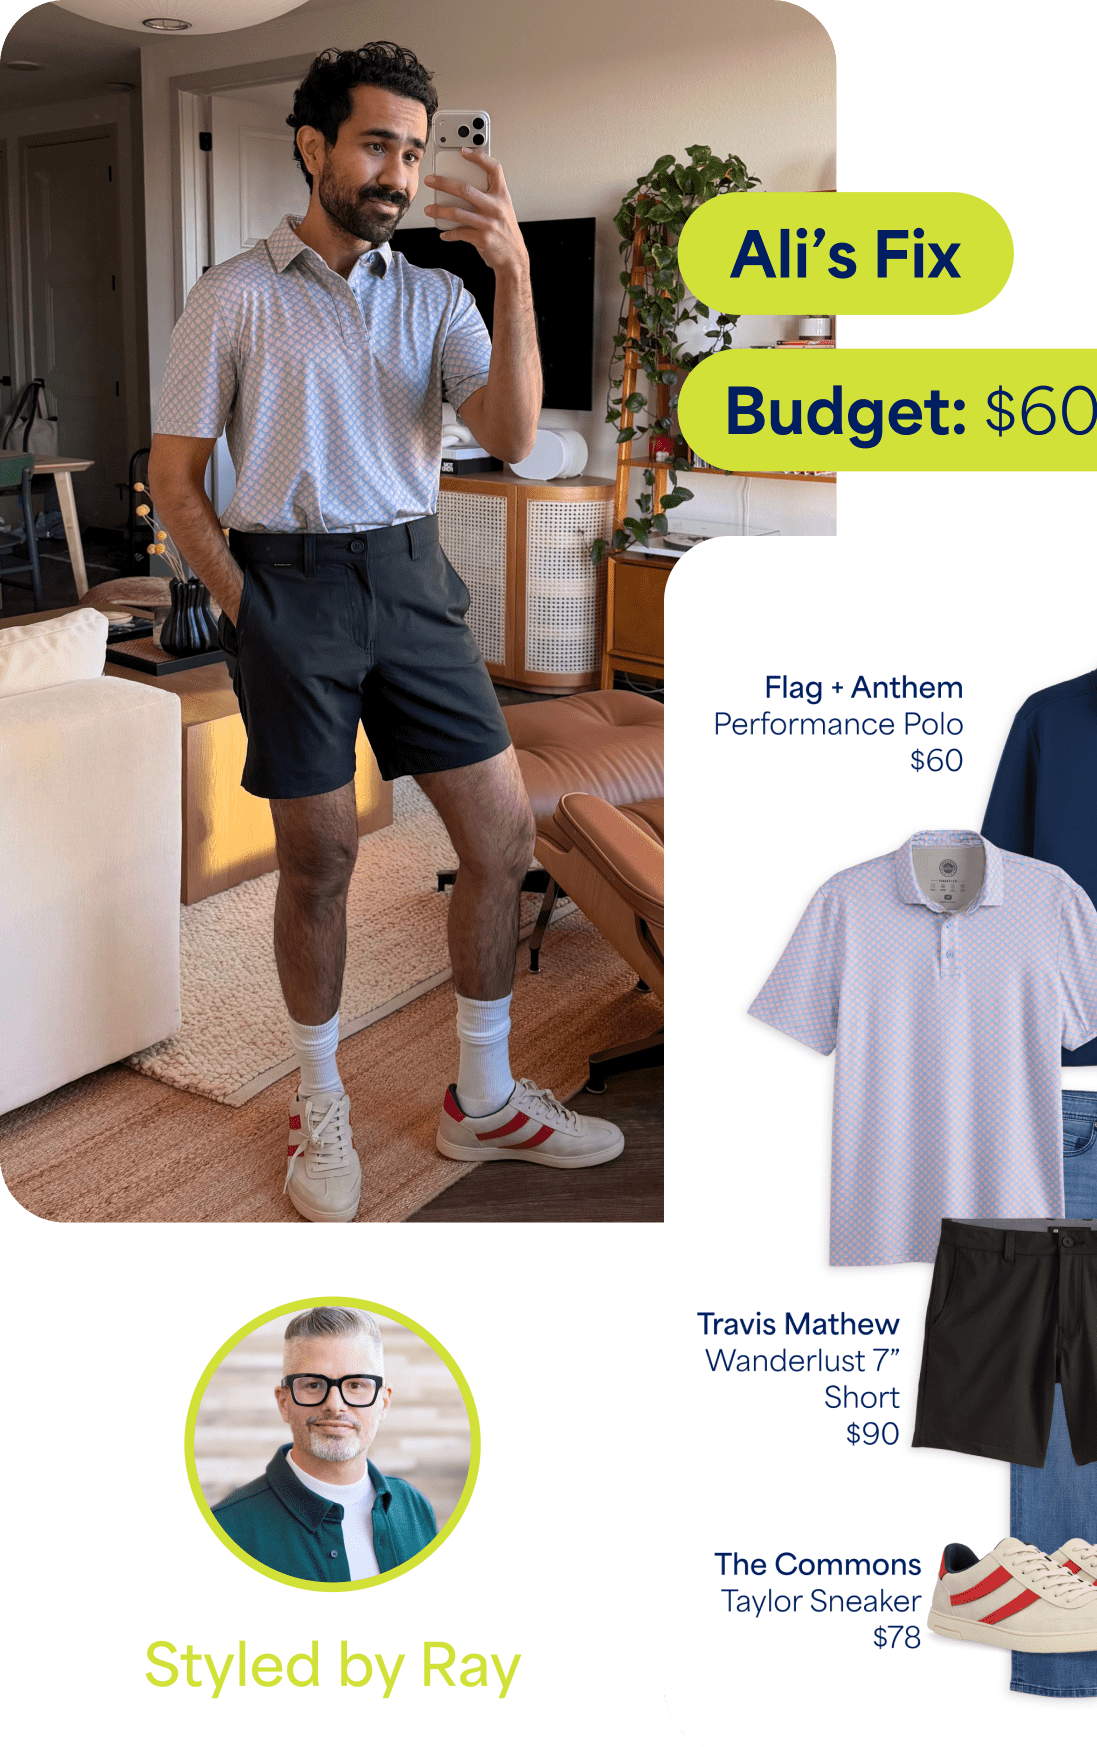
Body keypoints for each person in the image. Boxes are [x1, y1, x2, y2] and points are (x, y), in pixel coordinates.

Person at [150, 42, 622, 1221]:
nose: (399, 174)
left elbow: (513, 435)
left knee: (501, 834)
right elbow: (175, 482)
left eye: (412, 152)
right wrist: (253, 607)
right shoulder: (231, 295)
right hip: (286, 581)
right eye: (377, 146)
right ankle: (319, 1098)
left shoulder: (439, 298)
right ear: (312, 146)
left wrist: (514, 274)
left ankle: (484, 1097)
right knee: (321, 859)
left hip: (413, 579)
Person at [213, 1307, 438, 1583]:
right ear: (284, 1402)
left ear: (383, 1403)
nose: (334, 1404)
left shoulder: (414, 1508)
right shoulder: (227, 1530)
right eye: (313, 1385)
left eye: (356, 1385)